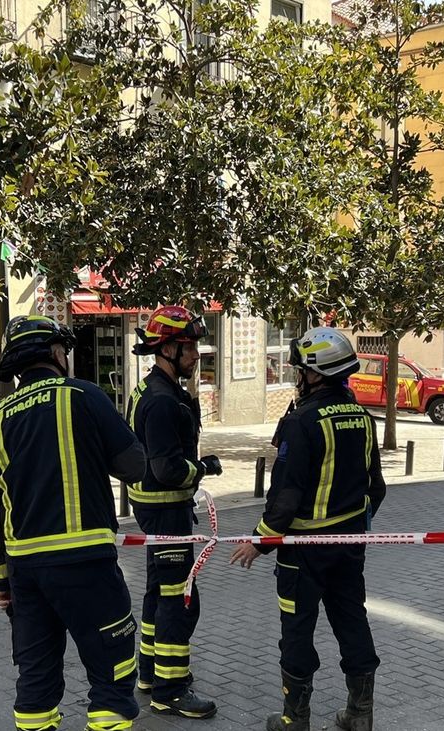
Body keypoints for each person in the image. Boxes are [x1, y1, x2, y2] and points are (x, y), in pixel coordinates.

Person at [0, 316, 147, 731]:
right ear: (56, 353)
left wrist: (2, 583)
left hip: (26, 573)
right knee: (112, 670)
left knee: (35, 676)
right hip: (86, 563)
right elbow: (134, 467)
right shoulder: (84, 396)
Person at [229, 326, 386, 731]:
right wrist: (355, 525)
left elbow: (286, 495)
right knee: (351, 620)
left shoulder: (303, 422)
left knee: (297, 631)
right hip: (348, 547)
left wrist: (259, 542)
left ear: (315, 374)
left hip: (302, 552)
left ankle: (294, 719)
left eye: (301, 370)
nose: (298, 376)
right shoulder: (363, 418)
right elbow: (377, 488)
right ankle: (360, 715)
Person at [125, 305, 222, 720]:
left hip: (154, 511)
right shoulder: (163, 402)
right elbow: (167, 469)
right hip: (167, 513)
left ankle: (150, 673)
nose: (197, 354)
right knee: (181, 601)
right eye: (189, 347)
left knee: (158, 594)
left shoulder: (151, 390)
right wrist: (203, 468)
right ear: (167, 349)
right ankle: (171, 689)